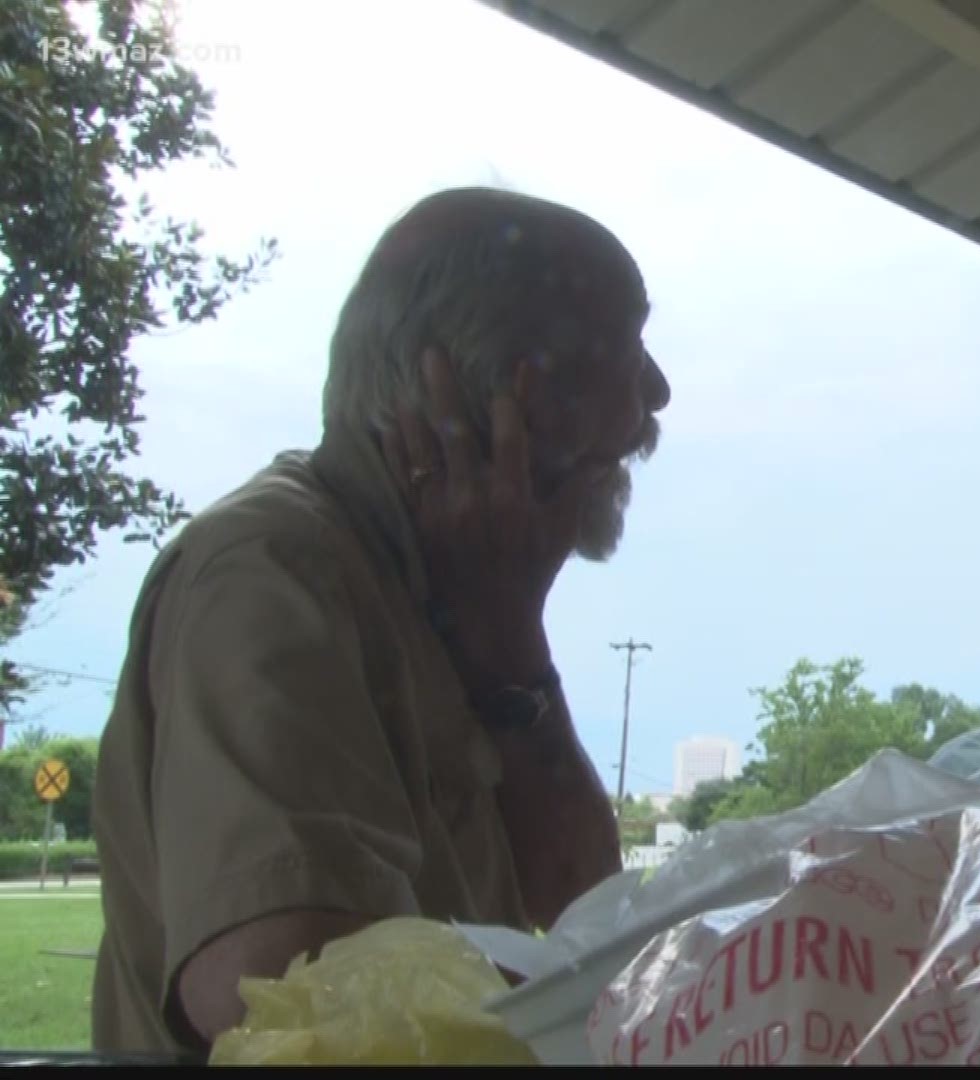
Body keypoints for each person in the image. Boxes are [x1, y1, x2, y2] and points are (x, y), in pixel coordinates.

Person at [90, 187, 672, 1055]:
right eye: (624, 350)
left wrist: (509, 631)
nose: (656, 394)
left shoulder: (453, 591)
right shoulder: (274, 573)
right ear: (499, 397)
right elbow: (292, 1007)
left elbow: (579, 889)